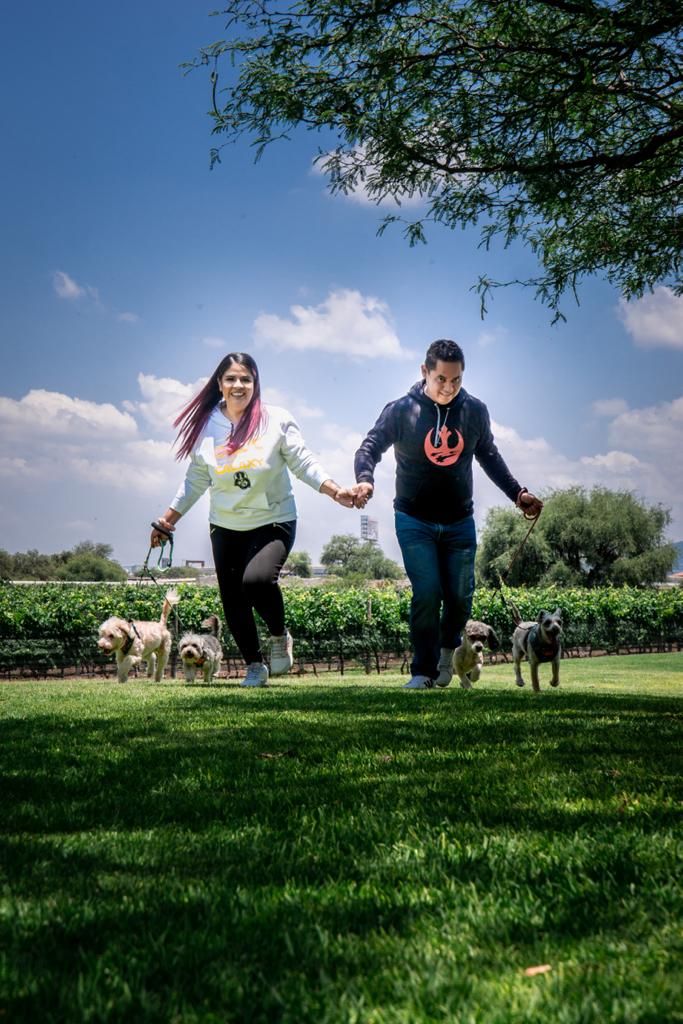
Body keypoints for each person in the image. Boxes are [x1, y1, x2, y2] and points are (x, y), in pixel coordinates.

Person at [151, 352, 354, 687]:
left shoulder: (276, 420)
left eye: (246, 379)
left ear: (256, 384)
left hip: (274, 519)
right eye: (231, 378)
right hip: (225, 525)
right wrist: (166, 521)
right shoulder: (207, 427)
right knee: (233, 599)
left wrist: (334, 490)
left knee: (257, 581)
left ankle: (279, 636)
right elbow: (196, 479)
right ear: (220, 384)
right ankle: (255, 666)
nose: (238, 385)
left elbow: (303, 461)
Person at [352, 338, 543, 689]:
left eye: (456, 380)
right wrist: (365, 479)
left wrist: (518, 493)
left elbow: (489, 455)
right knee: (427, 592)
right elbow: (369, 447)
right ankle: (422, 672)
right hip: (414, 519)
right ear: (425, 372)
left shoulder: (474, 411)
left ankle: (445, 655)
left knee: (460, 597)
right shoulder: (401, 410)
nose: (448, 387)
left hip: (459, 521)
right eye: (441, 379)